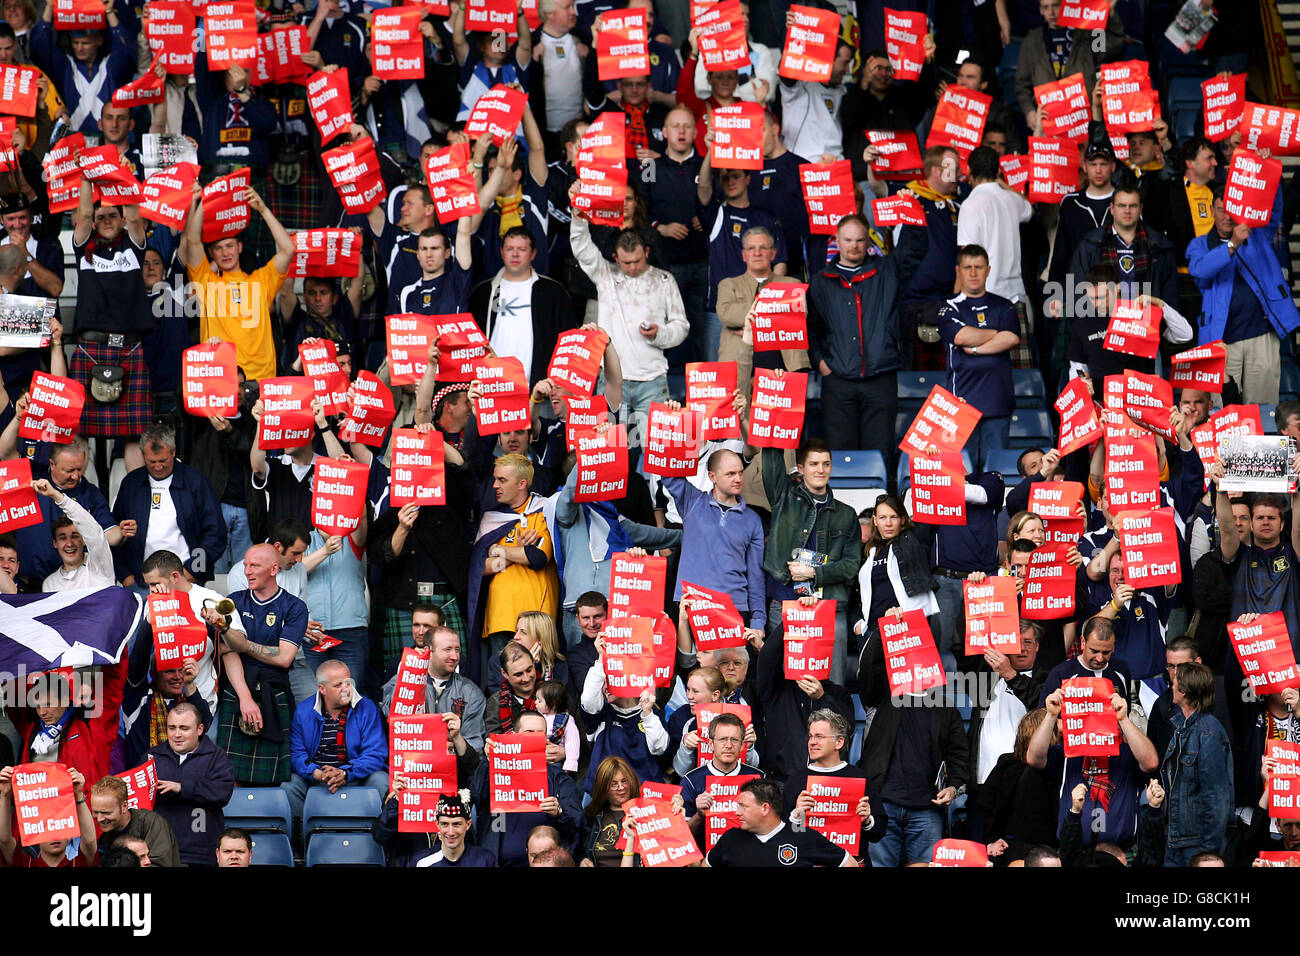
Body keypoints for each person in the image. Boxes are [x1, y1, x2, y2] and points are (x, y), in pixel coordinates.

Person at [569, 185, 688, 454]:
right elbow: (581, 248)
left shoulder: (664, 280)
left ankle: (657, 497)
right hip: (612, 380)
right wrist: (578, 215)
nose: (632, 267)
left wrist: (660, 334)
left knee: (658, 453)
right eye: (625, 262)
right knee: (607, 452)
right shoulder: (605, 275)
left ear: (646, 252)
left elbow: (682, 327)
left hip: (654, 380)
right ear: (615, 258)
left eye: (636, 261)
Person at [807, 212, 925, 473]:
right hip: (837, 379)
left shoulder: (887, 270)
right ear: (836, 240)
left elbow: (916, 249)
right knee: (838, 456)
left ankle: (878, 511)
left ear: (868, 240)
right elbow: (811, 328)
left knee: (879, 454)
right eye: (848, 240)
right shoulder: (820, 281)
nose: (854, 246)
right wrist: (819, 362)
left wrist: (911, 211)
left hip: (880, 376)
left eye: (860, 240)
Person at [856, 607, 970, 867]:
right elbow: (867, 670)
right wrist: (884, 627)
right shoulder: (884, 696)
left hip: (927, 810)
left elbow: (960, 759)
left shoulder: (945, 708)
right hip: (883, 805)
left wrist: (952, 788)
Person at [1188, 186, 1299, 404]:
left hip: (1261, 335)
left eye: (1231, 210)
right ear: (1211, 210)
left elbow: (1274, 210)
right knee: (1221, 411)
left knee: (1263, 408)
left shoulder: (1257, 235)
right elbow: (1201, 270)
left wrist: (1271, 177)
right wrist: (1233, 245)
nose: (1227, 217)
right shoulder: (1199, 244)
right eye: (1221, 210)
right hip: (1221, 340)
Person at [212, 543, 309, 785]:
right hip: (236, 689)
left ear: (274, 569)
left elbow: (285, 657)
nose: (247, 571)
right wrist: (244, 697)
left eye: (254, 565)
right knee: (229, 777)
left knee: (274, 779)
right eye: (245, 564)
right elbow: (225, 651)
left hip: (274, 692)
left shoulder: (294, 607)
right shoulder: (232, 602)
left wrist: (244, 646)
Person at [178, 184, 296, 383]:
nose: (225, 253)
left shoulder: (262, 280)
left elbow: (288, 249)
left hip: (262, 380)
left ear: (240, 247)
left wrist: (263, 210)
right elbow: (192, 239)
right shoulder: (206, 281)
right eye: (218, 248)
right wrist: (206, 200)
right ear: (211, 254)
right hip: (223, 379)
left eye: (230, 246)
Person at [1027, 682, 1160, 848]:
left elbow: (1151, 763)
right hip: (1075, 851)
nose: (1095, 721)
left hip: (1120, 852)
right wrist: (1051, 716)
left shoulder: (1127, 752)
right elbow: (1034, 758)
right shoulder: (1068, 753)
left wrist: (1123, 719)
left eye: (1101, 714)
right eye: (1088, 715)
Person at [662, 448, 767, 640]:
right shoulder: (692, 501)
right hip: (692, 606)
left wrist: (758, 621)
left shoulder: (753, 519)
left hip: (734, 608)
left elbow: (756, 575)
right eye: (730, 474)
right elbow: (668, 470)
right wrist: (684, 427)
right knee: (692, 669)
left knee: (731, 670)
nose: (738, 479)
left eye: (740, 473)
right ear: (712, 476)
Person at [111, 422, 227, 588]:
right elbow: (115, 531)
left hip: (186, 579)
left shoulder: (195, 481)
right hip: (140, 581)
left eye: (163, 460)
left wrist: (194, 571)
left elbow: (215, 533)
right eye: (152, 461)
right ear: (142, 455)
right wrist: (125, 577)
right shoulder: (131, 483)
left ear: (173, 452)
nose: (158, 466)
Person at [938, 244, 1021, 466]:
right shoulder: (948, 307)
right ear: (958, 271)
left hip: (998, 402)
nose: (973, 273)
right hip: (961, 403)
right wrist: (996, 334)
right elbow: (961, 337)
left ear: (988, 270)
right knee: (963, 474)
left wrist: (976, 349)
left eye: (978, 267)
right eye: (967, 267)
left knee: (996, 472)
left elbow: (1012, 338)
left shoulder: (1004, 306)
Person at [469, 710, 583, 866]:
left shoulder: (559, 778)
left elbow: (578, 822)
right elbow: (475, 795)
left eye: (540, 734)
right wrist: (489, 762)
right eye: (529, 732)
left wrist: (558, 813)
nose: (534, 737)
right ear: (514, 736)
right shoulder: (494, 771)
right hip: (498, 862)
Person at [283, 661, 389, 825]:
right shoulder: (304, 711)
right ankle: (302, 843)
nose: (346, 688)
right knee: (289, 785)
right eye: (338, 685)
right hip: (317, 777)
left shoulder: (367, 707)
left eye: (349, 682)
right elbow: (297, 755)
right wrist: (317, 774)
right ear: (322, 689)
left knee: (381, 779)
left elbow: (375, 754)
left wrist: (345, 773)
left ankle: (378, 839)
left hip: (355, 776)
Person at [955, 147, 1034, 362]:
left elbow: (967, 259)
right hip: (1015, 298)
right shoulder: (1011, 199)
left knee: (983, 377)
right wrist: (1004, 184)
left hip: (983, 300)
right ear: (998, 170)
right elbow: (1029, 207)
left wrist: (956, 303)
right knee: (1022, 384)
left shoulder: (971, 204)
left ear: (969, 170)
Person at [783, 709, 886, 862]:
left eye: (819, 737)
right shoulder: (796, 780)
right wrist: (797, 816)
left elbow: (878, 833)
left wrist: (867, 820)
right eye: (811, 736)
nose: (812, 742)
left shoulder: (860, 777)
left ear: (839, 742)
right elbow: (785, 839)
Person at [1160, 661, 1233, 866]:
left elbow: (1216, 795)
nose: (1171, 686)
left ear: (1184, 691)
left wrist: (1208, 852)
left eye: (1175, 682)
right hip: (1177, 839)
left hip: (1197, 844)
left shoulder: (1208, 732)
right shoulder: (1182, 727)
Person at [148, 700, 236, 868]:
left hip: (201, 855)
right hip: (158, 854)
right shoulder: (152, 757)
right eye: (172, 728)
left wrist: (182, 788)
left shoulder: (216, 757)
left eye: (184, 728)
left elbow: (222, 792)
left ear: (200, 729)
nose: (177, 734)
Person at [1013, 0, 1124, 132]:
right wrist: (1029, 111)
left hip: (1084, 117)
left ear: (1066, 5)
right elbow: (1022, 83)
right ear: (1040, 10)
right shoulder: (1031, 41)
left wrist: (1110, 17)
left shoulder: (1089, 32)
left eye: (1055, 5)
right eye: (1046, 7)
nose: (1051, 12)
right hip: (1049, 121)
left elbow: (1112, 48)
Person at [580, 635, 668, 792]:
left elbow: (659, 748)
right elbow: (588, 700)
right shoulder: (600, 713)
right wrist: (601, 658)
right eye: (603, 680)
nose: (605, 686)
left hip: (643, 798)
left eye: (612, 678)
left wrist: (647, 714)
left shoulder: (652, 712)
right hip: (605, 797)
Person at [382, 625, 487, 755]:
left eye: (457, 650)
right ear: (428, 651)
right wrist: (412, 674)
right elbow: (388, 715)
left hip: (454, 769)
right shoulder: (402, 679)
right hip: (409, 765)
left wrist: (456, 736)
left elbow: (475, 752)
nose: (455, 656)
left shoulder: (471, 693)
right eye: (447, 650)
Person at [705, 778, 857, 867]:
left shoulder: (803, 837)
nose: (737, 812)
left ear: (765, 808)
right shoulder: (730, 839)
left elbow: (850, 863)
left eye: (743, 806)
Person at [852, 494, 939, 646]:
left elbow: (931, 510)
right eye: (882, 517)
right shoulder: (867, 551)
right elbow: (854, 592)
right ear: (874, 520)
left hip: (906, 628)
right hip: (872, 631)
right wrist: (857, 624)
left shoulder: (913, 540)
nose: (888, 523)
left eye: (894, 517)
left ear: (903, 520)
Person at [676, 712, 762, 839]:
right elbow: (682, 838)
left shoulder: (757, 779)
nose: (728, 745)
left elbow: (770, 829)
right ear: (710, 744)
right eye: (722, 739)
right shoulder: (691, 781)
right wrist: (699, 815)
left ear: (743, 745)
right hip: (705, 855)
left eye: (734, 739)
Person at [0, 765, 97, 868]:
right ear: (36, 832)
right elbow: (4, 842)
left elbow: (90, 843)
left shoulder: (77, 864)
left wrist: (78, 795)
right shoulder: (25, 863)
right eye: (47, 826)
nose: (54, 836)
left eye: (59, 825)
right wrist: (5, 795)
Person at [31, 477, 116, 592]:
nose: (69, 543)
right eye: (63, 538)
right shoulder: (50, 584)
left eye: (75, 536)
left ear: (84, 540)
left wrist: (57, 496)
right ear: (55, 543)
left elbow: (93, 531)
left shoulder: (99, 565)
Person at [88, 775, 180, 867]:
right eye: (96, 812)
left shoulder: (151, 823)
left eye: (106, 813)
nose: (99, 819)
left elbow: (160, 864)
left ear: (124, 806)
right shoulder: (105, 834)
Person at [580, 755, 643, 867]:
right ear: (603, 787)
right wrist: (581, 859)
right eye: (614, 784)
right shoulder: (591, 816)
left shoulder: (644, 811)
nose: (621, 787)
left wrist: (674, 807)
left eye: (624, 781)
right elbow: (576, 846)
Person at [411, 792, 497, 867]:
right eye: (444, 824)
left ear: (468, 824)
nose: (451, 832)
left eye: (457, 824)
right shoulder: (421, 862)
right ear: (437, 824)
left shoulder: (485, 860)